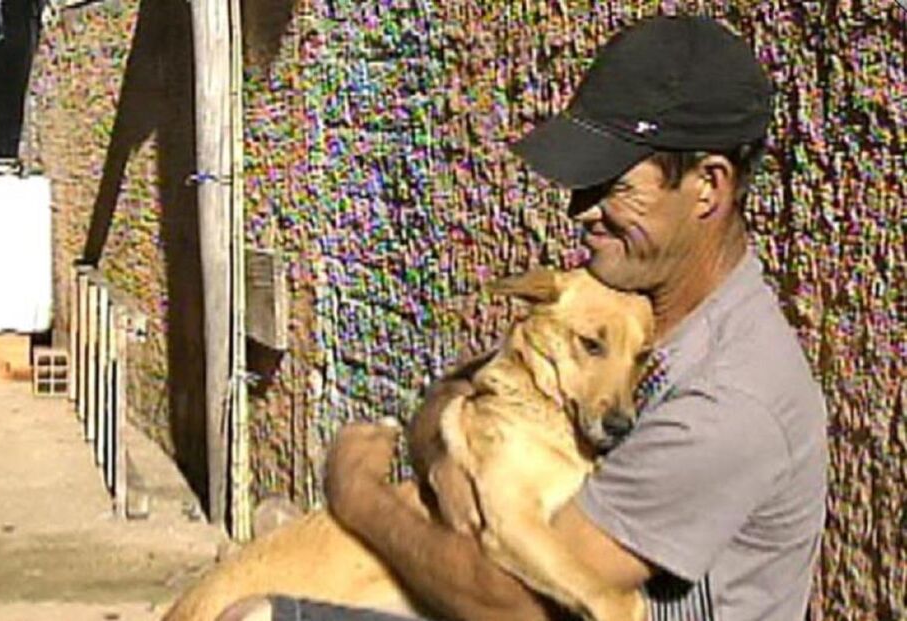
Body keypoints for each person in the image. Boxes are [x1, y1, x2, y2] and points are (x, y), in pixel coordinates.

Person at [234, 14, 828, 621]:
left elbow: (509, 604)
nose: (582, 212)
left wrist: (359, 496)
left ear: (708, 187)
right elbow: (466, 386)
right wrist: (444, 453)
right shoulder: (633, 307)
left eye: (615, 187)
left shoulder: (726, 400)